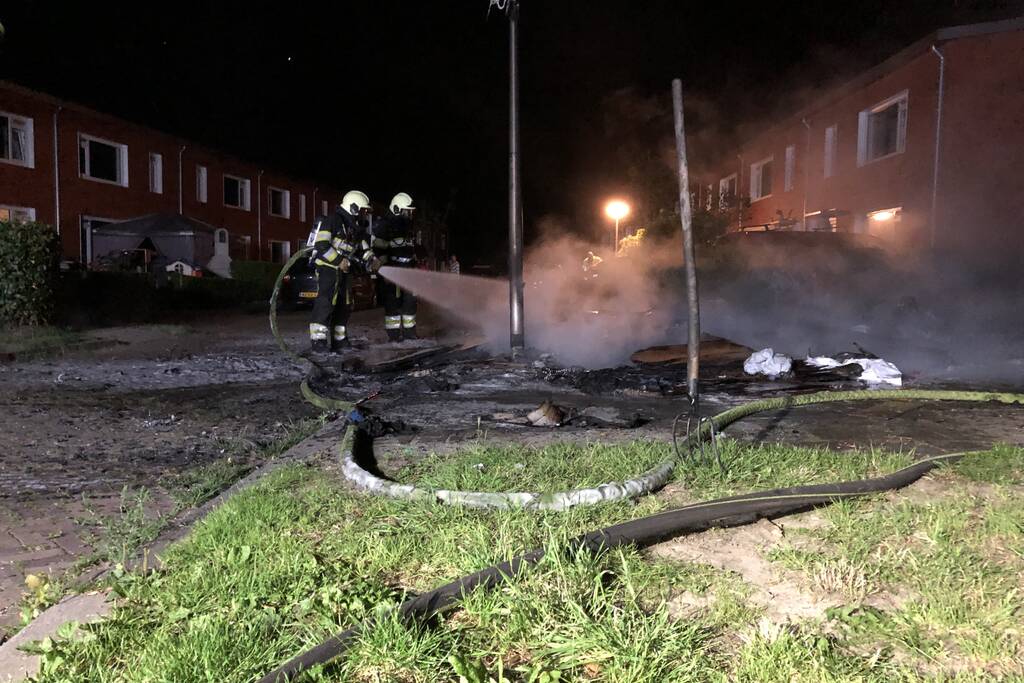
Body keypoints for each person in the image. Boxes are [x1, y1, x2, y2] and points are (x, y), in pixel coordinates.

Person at [308, 190, 377, 354]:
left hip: (344, 272)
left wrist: (373, 260)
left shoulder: (355, 229)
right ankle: (319, 341)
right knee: (325, 302)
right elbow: (321, 245)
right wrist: (339, 261)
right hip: (327, 268)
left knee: (345, 305)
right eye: (362, 210)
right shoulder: (333, 221)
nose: (364, 215)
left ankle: (339, 339)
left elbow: (363, 250)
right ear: (353, 208)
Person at [373, 192, 419, 341]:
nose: (409, 214)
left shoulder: (407, 226)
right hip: (392, 268)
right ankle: (393, 336)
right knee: (392, 302)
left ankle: (409, 333)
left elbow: (410, 248)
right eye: (407, 210)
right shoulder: (384, 224)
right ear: (398, 209)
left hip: (408, 269)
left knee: (410, 302)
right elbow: (379, 249)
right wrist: (385, 271)